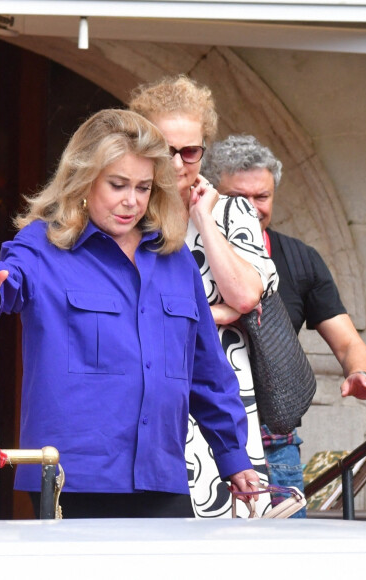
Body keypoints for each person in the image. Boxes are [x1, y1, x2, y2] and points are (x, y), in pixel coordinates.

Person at [0, 109, 259, 519]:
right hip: (71, 476)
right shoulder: (42, 245)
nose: (131, 201)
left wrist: (233, 455)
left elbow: (206, 369)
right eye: (117, 185)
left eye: (143, 187)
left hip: (162, 472)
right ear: (83, 180)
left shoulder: (176, 259)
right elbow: (10, 285)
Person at [203, 134, 366, 517]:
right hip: (199, 440)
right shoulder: (181, 249)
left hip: (276, 447)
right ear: (208, 193)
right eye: (239, 197)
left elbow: (348, 343)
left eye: (262, 197)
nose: (252, 208)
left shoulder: (301, 258)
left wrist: (360, 372)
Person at [129, 76, 278, 517]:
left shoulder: (233, 211)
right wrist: (215, 312)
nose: (177, 162)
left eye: (189, 151)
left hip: (225, 396)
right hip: (150, 400)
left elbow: (248, 295)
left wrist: (203, 220)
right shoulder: (125, 210)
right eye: (164, 147)